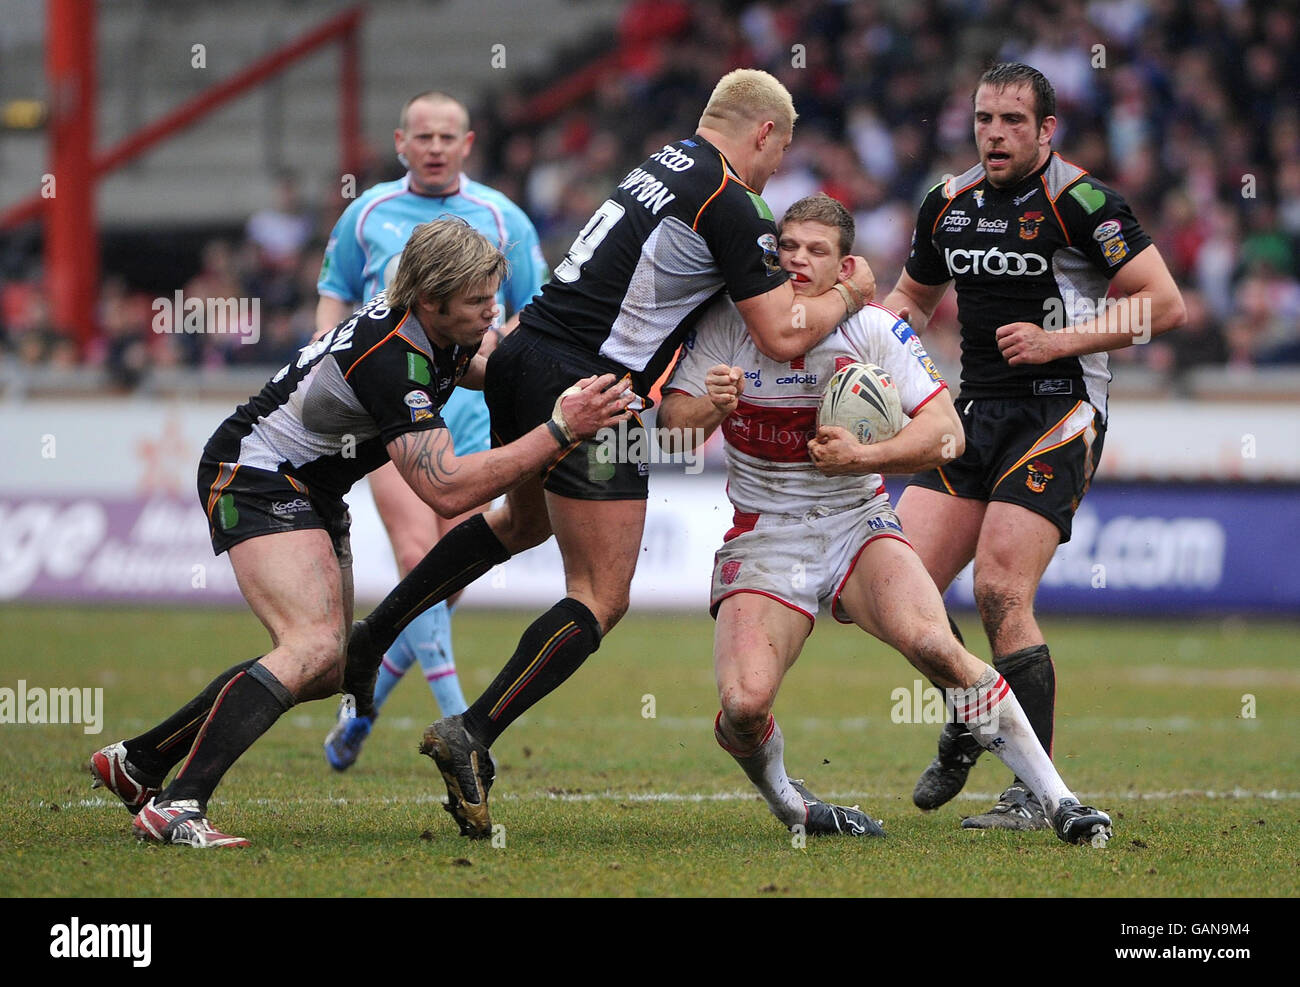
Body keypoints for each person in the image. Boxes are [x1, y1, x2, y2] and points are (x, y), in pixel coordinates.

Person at [341, 69, 878, 839]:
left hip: (528, 354)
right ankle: (474, 730)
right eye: (780, 151)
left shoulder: (665, 161)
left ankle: (374, 633)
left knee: (518, 524)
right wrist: (850, 294)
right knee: (602, 593)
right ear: (763, 132)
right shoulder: (730, 197)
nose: (774, 172)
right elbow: (784, 332)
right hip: (590, 388)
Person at [88, 219, 632, 847]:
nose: (493, 313)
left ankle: (141, 761)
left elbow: (502, 364)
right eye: (480, 302)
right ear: (430, 300)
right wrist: (561, 429)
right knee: (312, 649)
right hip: (255, 477)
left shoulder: (443, 327)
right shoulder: (391, 357)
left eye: (493, 298)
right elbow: (446, 487)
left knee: (324, 667)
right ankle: (178, 804)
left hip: (311, 488)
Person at [657, 193, 1112, 845]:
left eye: (817, 251)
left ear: (846, 268)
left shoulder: (873, 329)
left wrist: (865, 456)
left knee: (937, 647)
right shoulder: (731, 322)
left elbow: (946, 434)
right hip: (765, 537)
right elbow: (671, 428)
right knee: (744, 705)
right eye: (788, 247)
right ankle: (795, 806)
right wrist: (708, 406)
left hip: (856, 525)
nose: (798, 261)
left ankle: (1061, 801)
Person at [882, 63, 1185, 830]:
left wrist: (1060, 341)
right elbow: (911, 301)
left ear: (1047, 131)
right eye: (984, 119)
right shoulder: (946, 203)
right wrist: (862, 356)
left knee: (998, 591)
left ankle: (1029, 791)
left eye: (1013, 121)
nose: (995, 133)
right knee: (896, 582)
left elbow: (1166, 305)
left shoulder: (1082, 201)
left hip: (1061, 411)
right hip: (972, 412)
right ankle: (970, 706)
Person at [316, 92, 548, 771]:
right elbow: (334, 292)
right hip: (389, 410)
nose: (436, 146)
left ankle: (364, 701)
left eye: (449, 136)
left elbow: (531, 314)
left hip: (476, 413)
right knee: (417, 559)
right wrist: (329, 360)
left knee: (442, 582)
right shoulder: (368, 214)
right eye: (424, 136)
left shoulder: (504, 218)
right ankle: (459, 724)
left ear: (469, 143)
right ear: (400, 141)